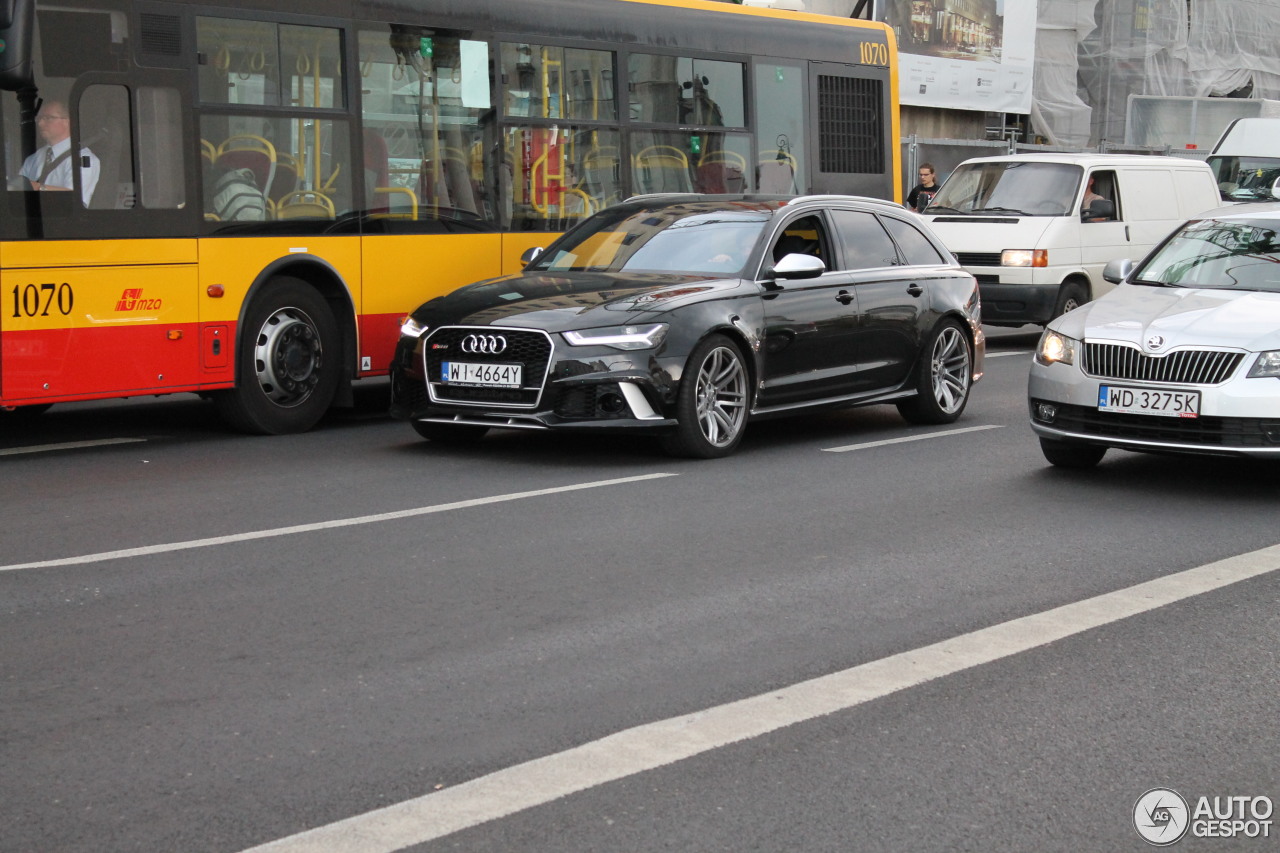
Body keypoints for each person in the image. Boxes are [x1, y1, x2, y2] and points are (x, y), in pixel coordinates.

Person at [19, 100, 100, 205]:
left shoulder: (84, 159)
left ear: (68, 121)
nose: (40, 123)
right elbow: (18, 189)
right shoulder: (34, 158)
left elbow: (74, 200)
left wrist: (38, 188)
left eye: (48, 118)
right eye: (39, 118)